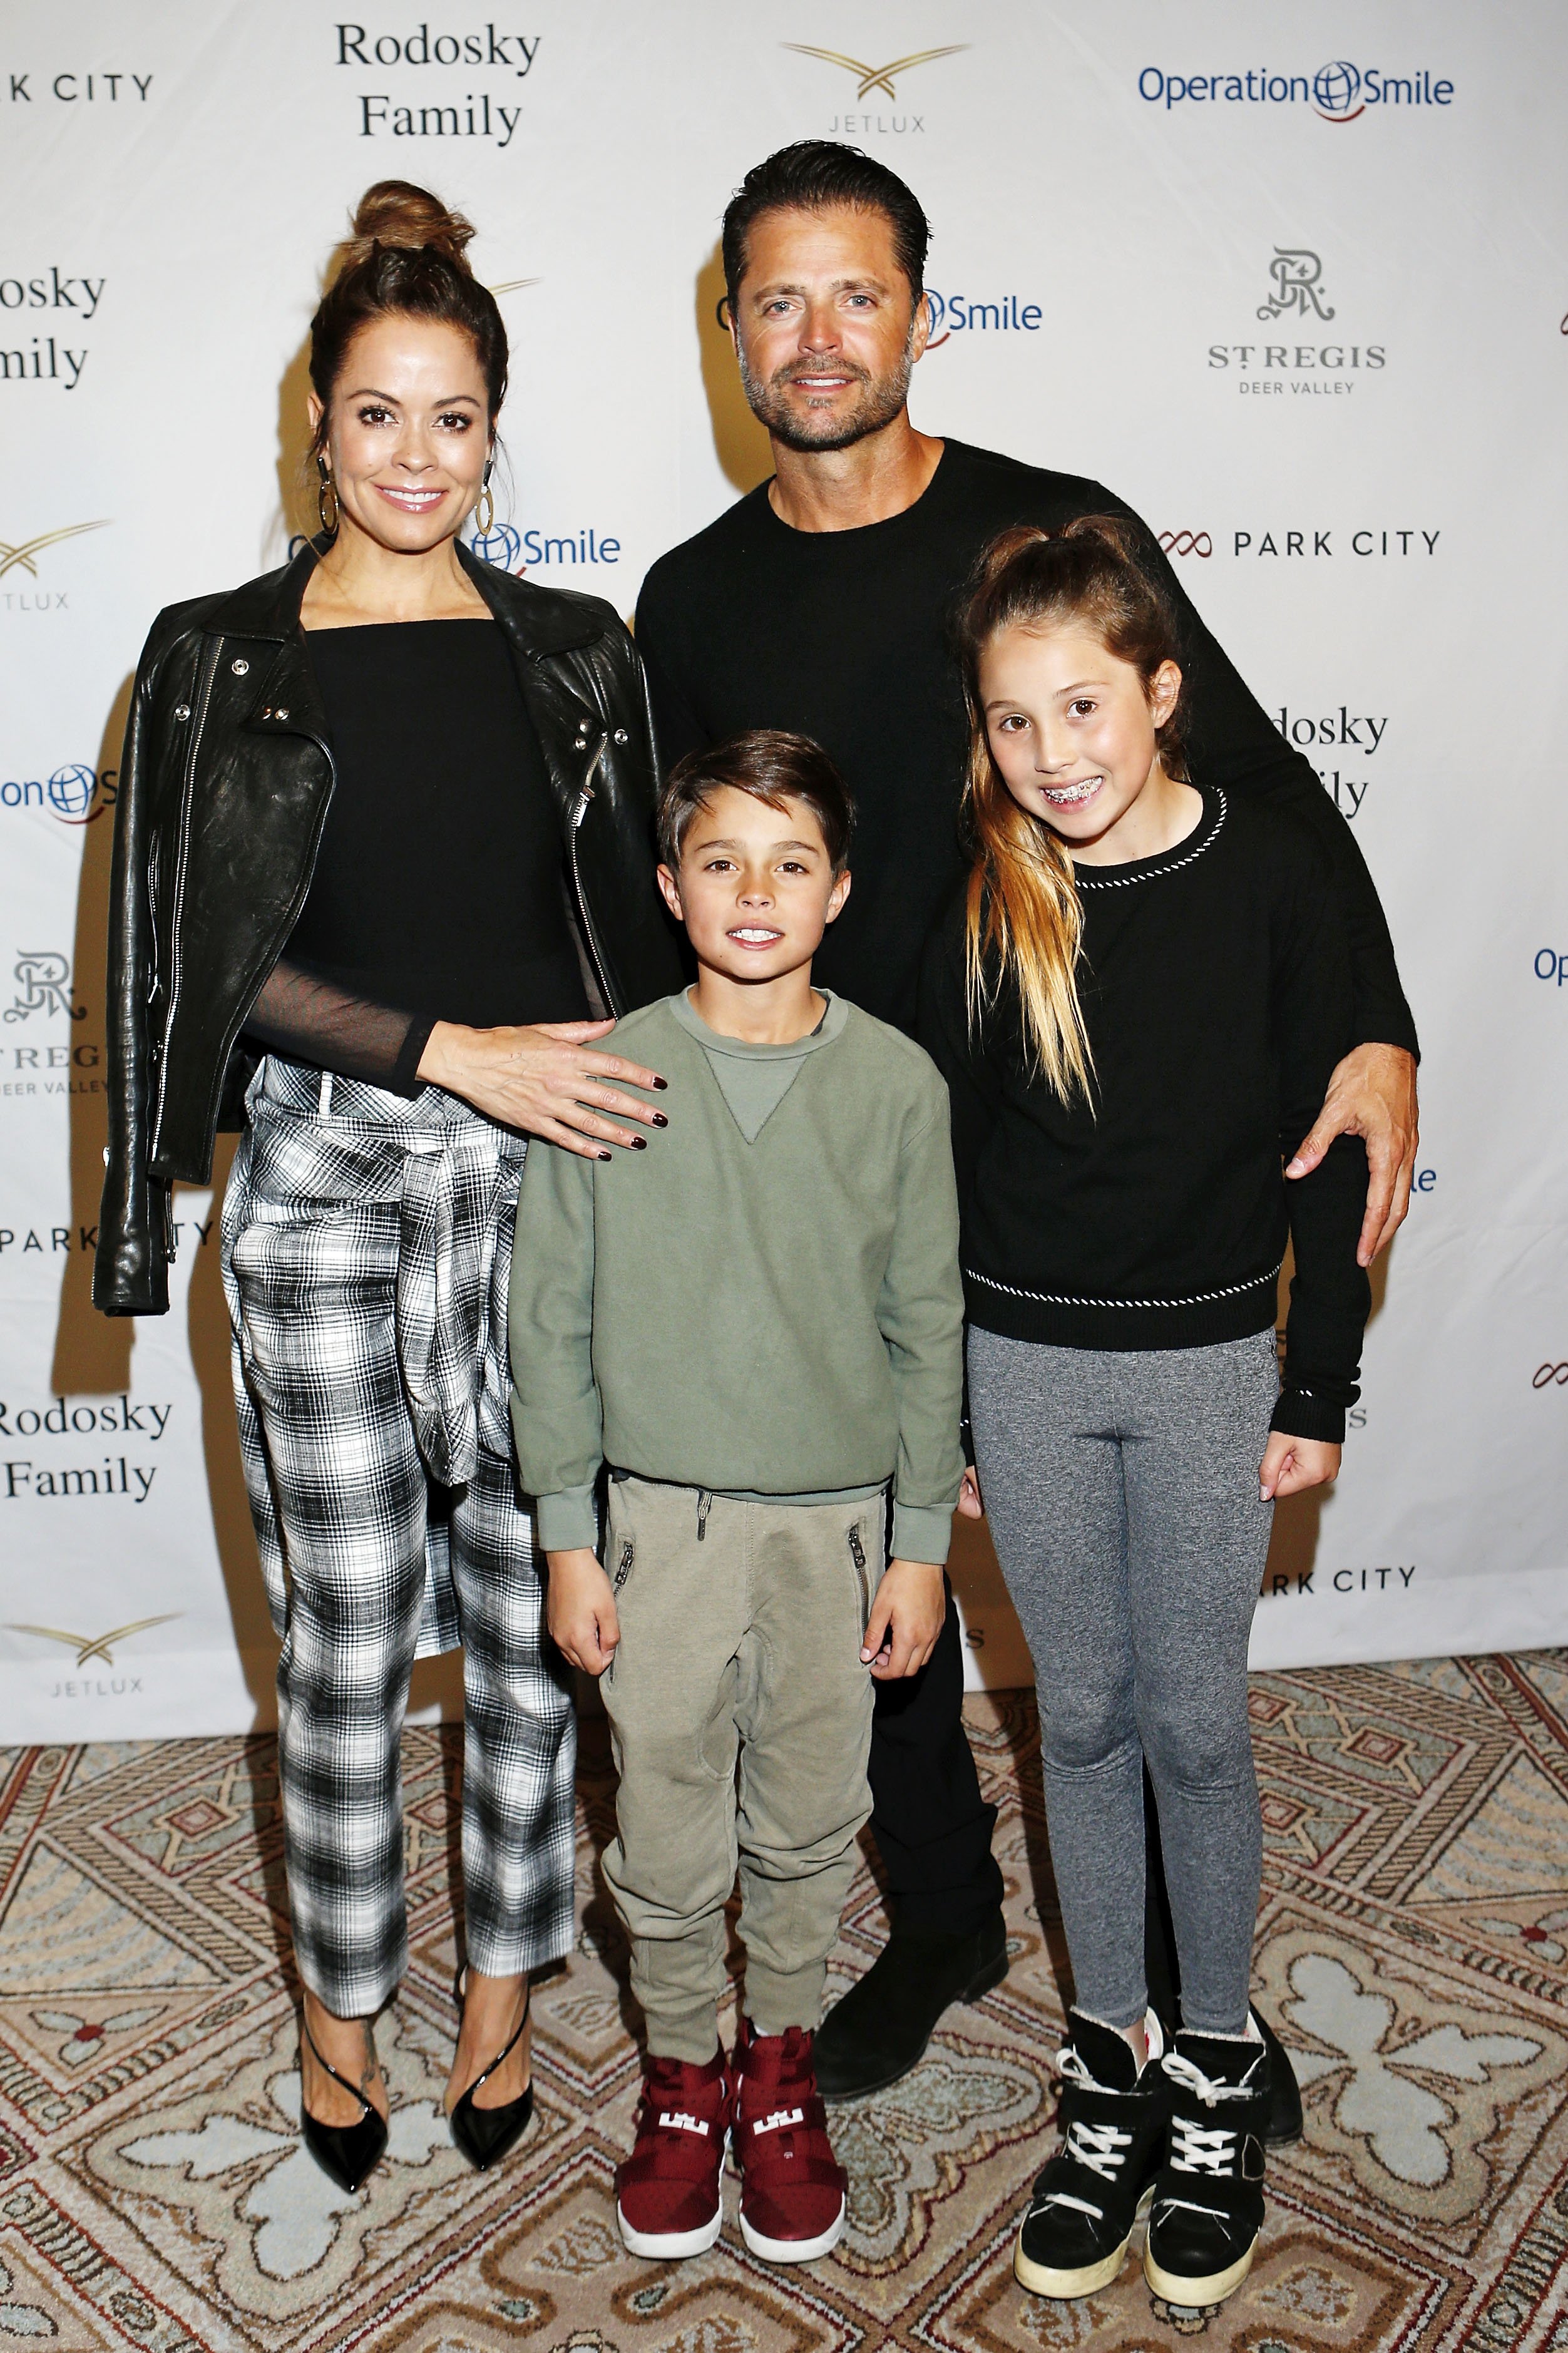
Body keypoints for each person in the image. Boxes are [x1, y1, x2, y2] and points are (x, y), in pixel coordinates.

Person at [635, 140, 1419, 2115]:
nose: (818, 339)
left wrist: (1379, 1034)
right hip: (818, 1154)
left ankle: (1186, 2010)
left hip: (1057, 1158)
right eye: (778, 301)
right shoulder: (692, 595)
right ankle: (950, 1912)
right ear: (730, 330)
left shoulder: (1053, 535)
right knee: (856, 1560)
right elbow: (667, 871)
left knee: (1134, 1673)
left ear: (925, 311)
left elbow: (1272, 806)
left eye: (859, 294)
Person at [95, 180, 682, 2192]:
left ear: (494, 432)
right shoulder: (210, 660)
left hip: (550, 1191)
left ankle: (505, 2003)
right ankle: (341, 2031)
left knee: (534, 1630)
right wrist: (443, 1053)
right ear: (314, 430)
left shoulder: (583, 656)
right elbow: (193, 960)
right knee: (345, 1638)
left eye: (452, 416)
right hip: (328, 1192)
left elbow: (656, 950)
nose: (414, 454)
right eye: (376, 414)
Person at [919, 515, 1375, 2307]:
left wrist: (1318, 1375)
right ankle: (1103, 2064)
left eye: (1087, 708)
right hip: (1022, 1370)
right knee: (1079, 1724)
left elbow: (1333, 1154)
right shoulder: (987, 893)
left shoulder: (1274, 874)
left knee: (1195, 1727)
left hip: (1204, 1372)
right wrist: (938, 1399)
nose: (1056, 755)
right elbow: (945, 1178)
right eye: (1015, 723)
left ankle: (1208, 2068)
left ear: (1164, 694)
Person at [508, 731, 965, 2263]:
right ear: (667, 884)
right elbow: (549, 1325)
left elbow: (924, 1324)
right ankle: (682, 2065)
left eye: (788, 863)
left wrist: (913, 1551)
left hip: (836, 1532)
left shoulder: (896, 1083)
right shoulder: (606, 1076)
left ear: (838, 889)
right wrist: (571, 1540)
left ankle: (780, 2063)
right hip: (658, 1531)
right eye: (718, 860)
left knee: (809, 1810)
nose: (752, 891)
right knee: (662, 1817)